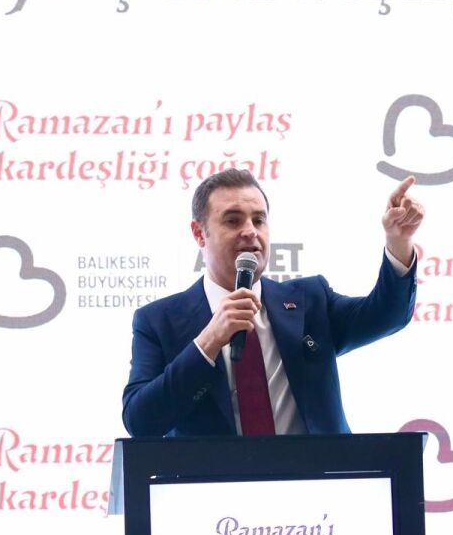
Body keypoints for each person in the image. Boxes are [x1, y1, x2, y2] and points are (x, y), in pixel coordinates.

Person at [122, 169, 423, 437]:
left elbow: (387, 315)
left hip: (317, 479)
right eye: (233, 220)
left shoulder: (310, 300)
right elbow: (140, 421)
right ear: (199, 233)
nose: (250, 231)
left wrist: (399, 241)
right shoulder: (158, 321)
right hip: (215, 483)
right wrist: (209, 341)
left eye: (259, 220)